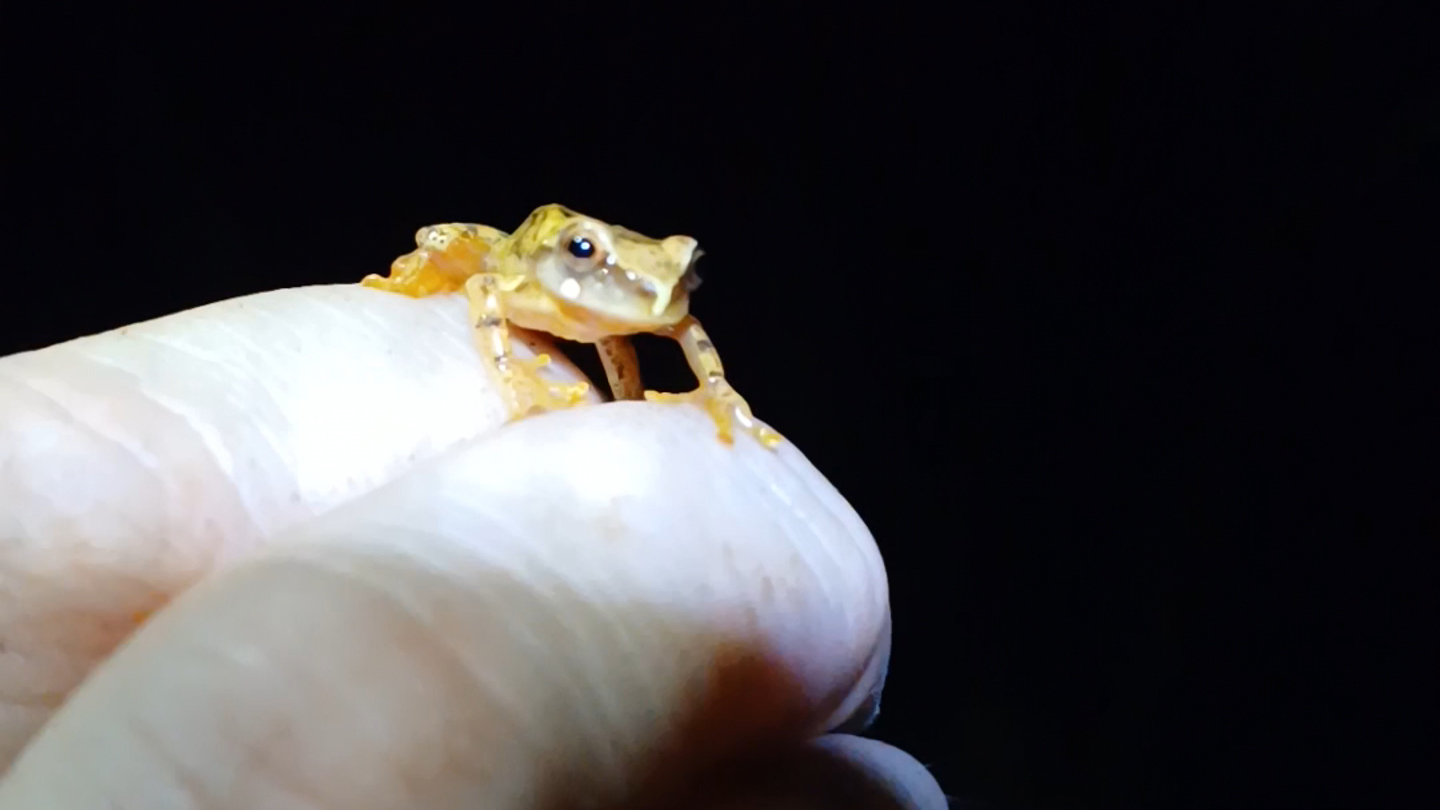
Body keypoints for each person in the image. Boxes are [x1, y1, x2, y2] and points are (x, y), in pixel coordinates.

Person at [0, 285, 943, 808]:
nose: (662, 293)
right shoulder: (520, 281)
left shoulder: (651, 302)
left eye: (684, 272)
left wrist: (711, 403)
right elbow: (487, 293)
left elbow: (665, 335)